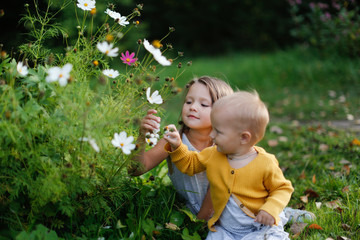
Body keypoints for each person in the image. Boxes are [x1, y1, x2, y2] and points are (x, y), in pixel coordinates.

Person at [164, 90, 294, 239]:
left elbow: (283, 188)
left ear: (244, 138)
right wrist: (177, 147)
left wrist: (271, 208)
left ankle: (284, 214)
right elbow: (190, 164)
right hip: (226, 230)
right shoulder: (213, 154)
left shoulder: (265, 162)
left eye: (218, 132)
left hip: (259, 227)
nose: (212, 135)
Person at [129, 76, 234, 220]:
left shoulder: (224, 147)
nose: (192, 107)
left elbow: (217, 191)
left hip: (230, 210)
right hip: (192, 213)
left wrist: (197, 225)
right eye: (188, 101)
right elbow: (135, 169)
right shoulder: (173, 140)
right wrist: (141, 138)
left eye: (203, 104)